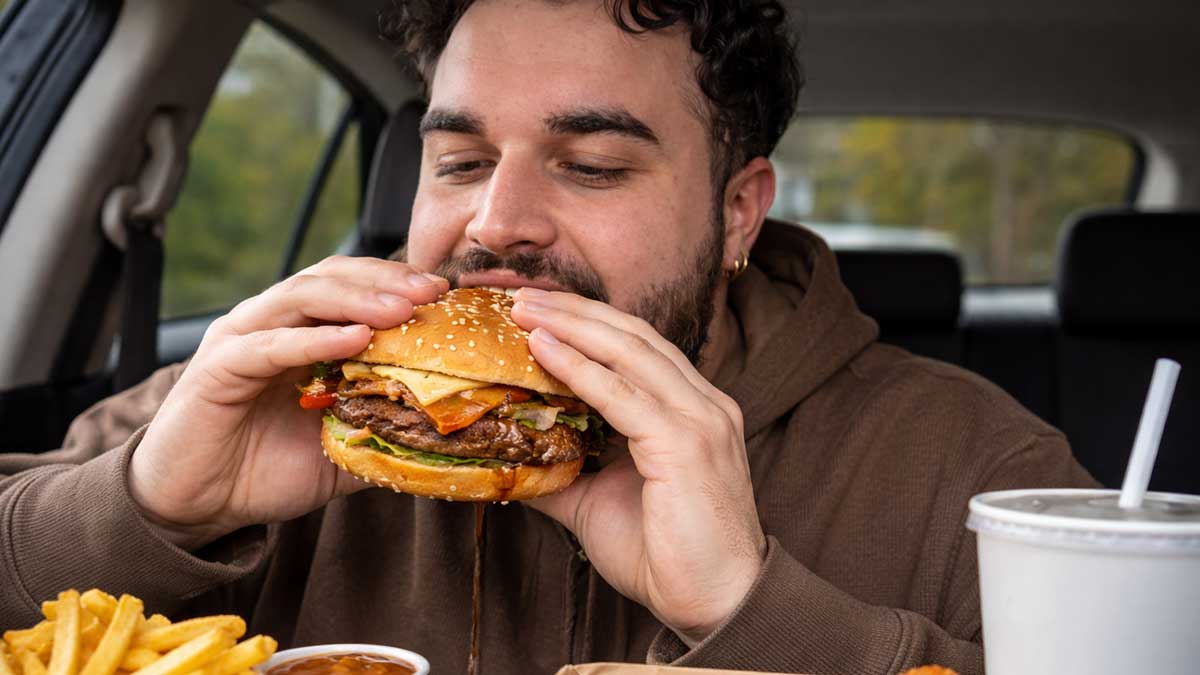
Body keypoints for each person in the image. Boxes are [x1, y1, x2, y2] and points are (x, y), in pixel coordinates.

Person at [0, 1, 1096, 673]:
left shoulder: (979, 469)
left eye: (593, 165)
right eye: (461, 161)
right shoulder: (263, 398)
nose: (495, 223)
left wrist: (759, 612)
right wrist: (145, 507)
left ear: (738, 213)